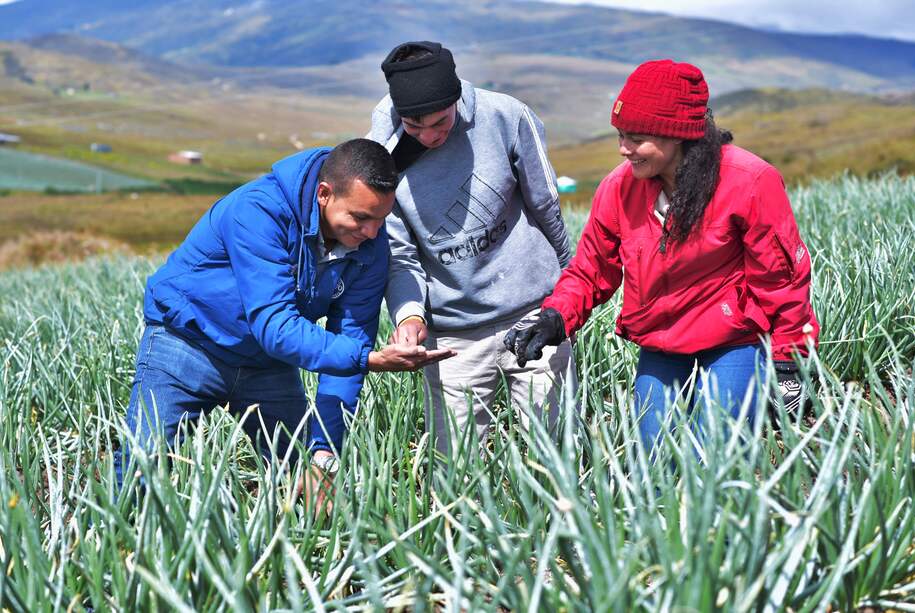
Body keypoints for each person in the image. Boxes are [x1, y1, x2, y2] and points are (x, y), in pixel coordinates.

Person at [504, 60, 819, 451]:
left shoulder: (750, 181)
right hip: (661, 342)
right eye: (620, 135)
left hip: (733, 340)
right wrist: (556, 316)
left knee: (716, 452)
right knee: (653, 456)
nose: (623, 149)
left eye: (635, 138)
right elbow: (591, 269)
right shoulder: (618, 189)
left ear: (677, 135)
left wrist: (792, 360)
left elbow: (781, 278)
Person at [114, 138, 453, 496]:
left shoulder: (370, 242)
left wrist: (325, 452)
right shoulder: (259, 211)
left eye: (380, 219)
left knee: (307, 474)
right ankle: (105, 542)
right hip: (188, 343)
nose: (371, 232)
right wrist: (367, 360)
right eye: (360, 217)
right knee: (142, 465)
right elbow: (274, 325)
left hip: (266, 364)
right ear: (324, 194)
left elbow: (352, 337)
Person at [367, 41, 575, 455]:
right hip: (453, 337)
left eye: (439, 123)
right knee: (453, 469)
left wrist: (571, 289)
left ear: (457, 99)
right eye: (413, 126)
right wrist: (409, 316)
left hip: (532, 312)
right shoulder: (379, 154)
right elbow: (398, 254)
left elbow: (547, 205)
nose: (428, 137)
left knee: (555, 454)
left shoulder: (506, 116)